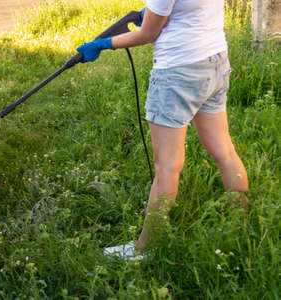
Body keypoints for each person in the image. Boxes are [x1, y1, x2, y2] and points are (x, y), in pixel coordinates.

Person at [76, 1, 249, 259]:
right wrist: (159, 13)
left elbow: (148, 34)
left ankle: (143, 250)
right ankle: (242, 224)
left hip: (178, 72)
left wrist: (103, 44)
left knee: (167, 166)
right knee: (224, 151)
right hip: (214, 62)